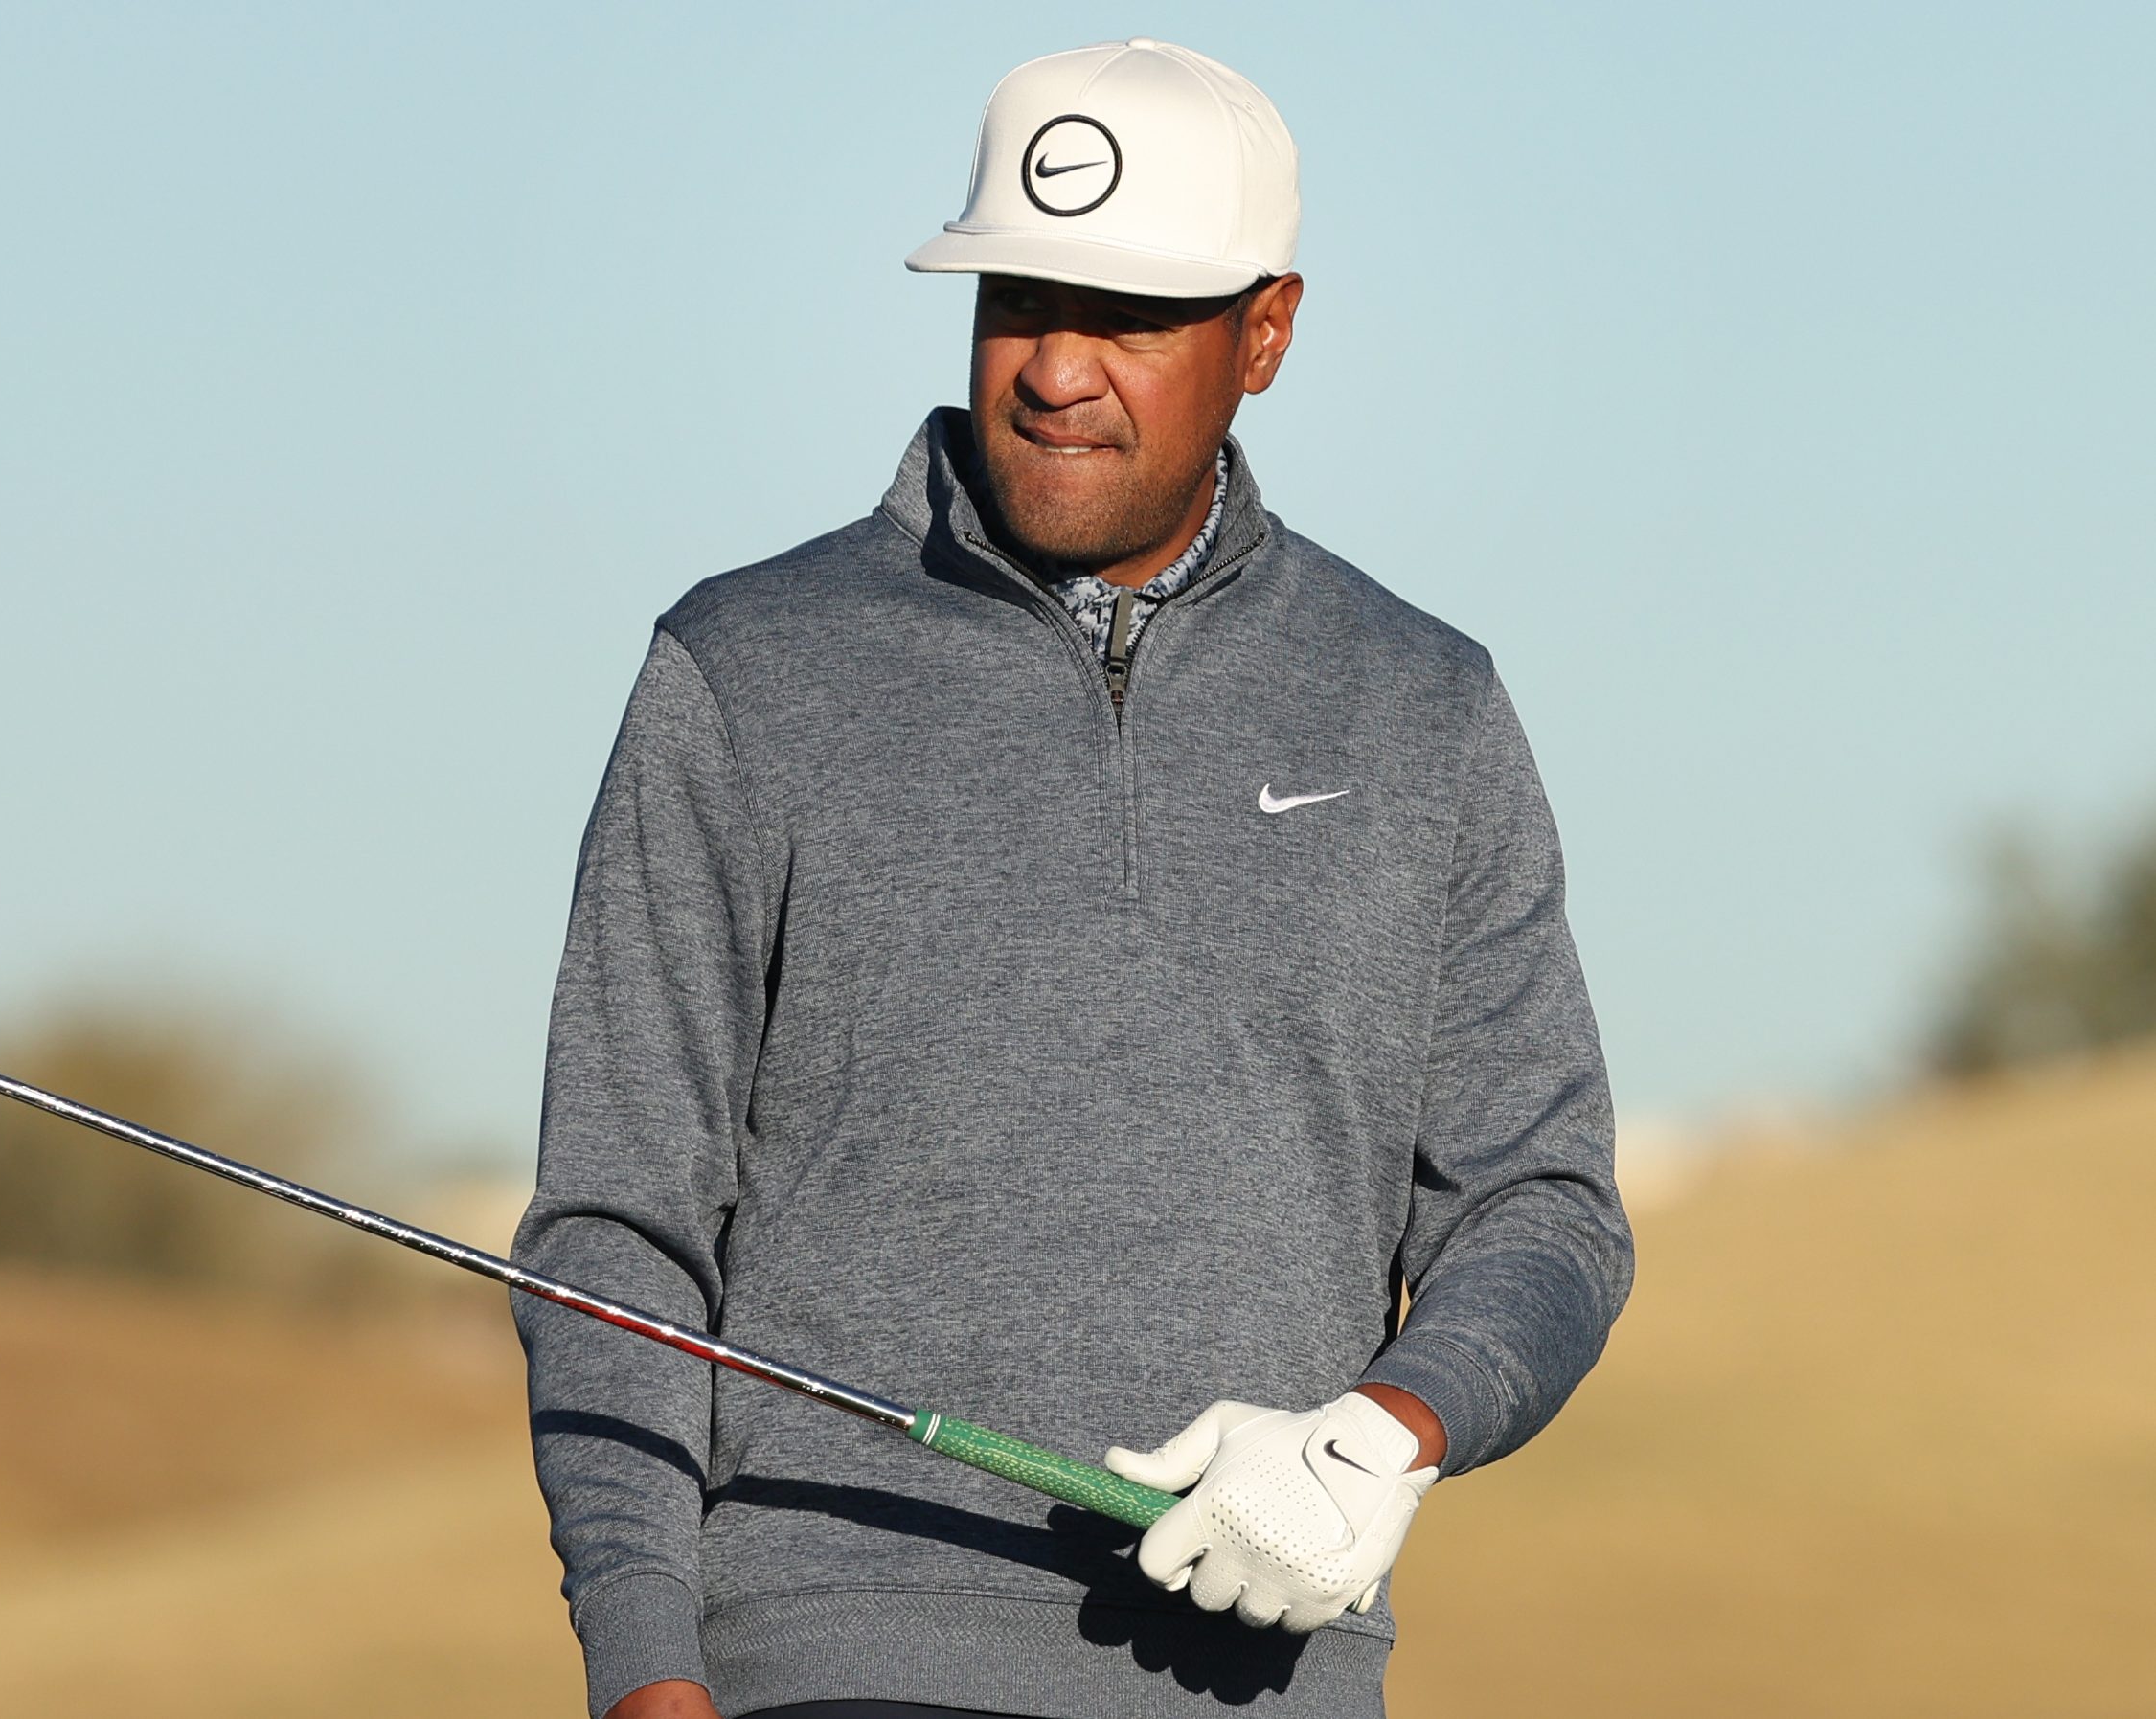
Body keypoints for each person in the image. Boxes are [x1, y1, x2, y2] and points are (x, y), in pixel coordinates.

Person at [513, 38, 1632, 1719]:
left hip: (1276, 1680)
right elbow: (620, 1223)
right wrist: (641, 1662)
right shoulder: (743, 672)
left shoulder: (1421, 706)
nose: (1053, 368)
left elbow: (1543, 1207)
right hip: (826, 1659)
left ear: (1266, 331)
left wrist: (1382, 1434)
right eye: (1019, 302)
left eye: (1126, 317)